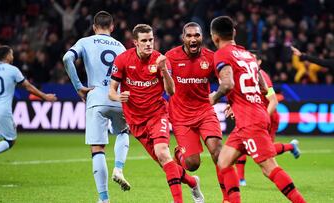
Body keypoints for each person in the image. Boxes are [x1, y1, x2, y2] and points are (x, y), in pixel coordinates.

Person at [209, 16, 306, 203]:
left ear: (214, 37)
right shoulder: (247, 55)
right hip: (253, 114)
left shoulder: (221, 54)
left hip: (249, 120)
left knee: (269, 168)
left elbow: (227, 84)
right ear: (234, 33)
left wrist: (214, 97)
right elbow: (262, 87)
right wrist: (237, 100)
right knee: (224, 161)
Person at [109, 24, 203, 203]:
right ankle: (192, 182)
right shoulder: (122, 60)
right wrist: (119, 97)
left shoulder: (161, 60)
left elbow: (171, 91)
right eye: (144, 41)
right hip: (136, 121)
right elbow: (111, 91)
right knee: (166, 163)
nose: (148, 44)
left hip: (157, 114)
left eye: (151, 40)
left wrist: (164, 70)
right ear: (135, 42)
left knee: (162, 153)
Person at [62, 11, 131, 203]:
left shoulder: (85, 41)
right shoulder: (121, 46)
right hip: (117, 96)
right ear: (112, 27)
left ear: (94, 27)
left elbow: (67, 59)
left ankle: (104, 198)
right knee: (123, 131)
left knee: (98, 148)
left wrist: (79, 88)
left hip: (96, 96)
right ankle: (119, 167)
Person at [165, 22, 228, 202]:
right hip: (181, 116)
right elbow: (162, 83)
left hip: (204, 112)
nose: (193, 39)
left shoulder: (211, 57)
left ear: (202, 37)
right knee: (192, 165)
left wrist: (230, 101)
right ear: (183, 38)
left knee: (218, 152)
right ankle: (179, 153)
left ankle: (227, 198)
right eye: (189, 36)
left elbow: (226, 79)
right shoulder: (171, 56)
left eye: (197, 35)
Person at [0, 45, 57, 181]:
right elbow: (28, 87)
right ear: (7, 56)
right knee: (10, 140)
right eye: (11, 54)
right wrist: (45, 97)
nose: (13, 57)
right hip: (2, 110)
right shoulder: (13, 70)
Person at [233, 51, 301, 187]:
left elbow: (273, 101)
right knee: (241, 144)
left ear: (259, 62)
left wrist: (263, 118)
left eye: (253, 59)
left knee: (266, 153)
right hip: (253, 116)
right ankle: (241, 179)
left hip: (267, 117)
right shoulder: (245, 75)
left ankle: (290, 146)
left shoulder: (262, 76)